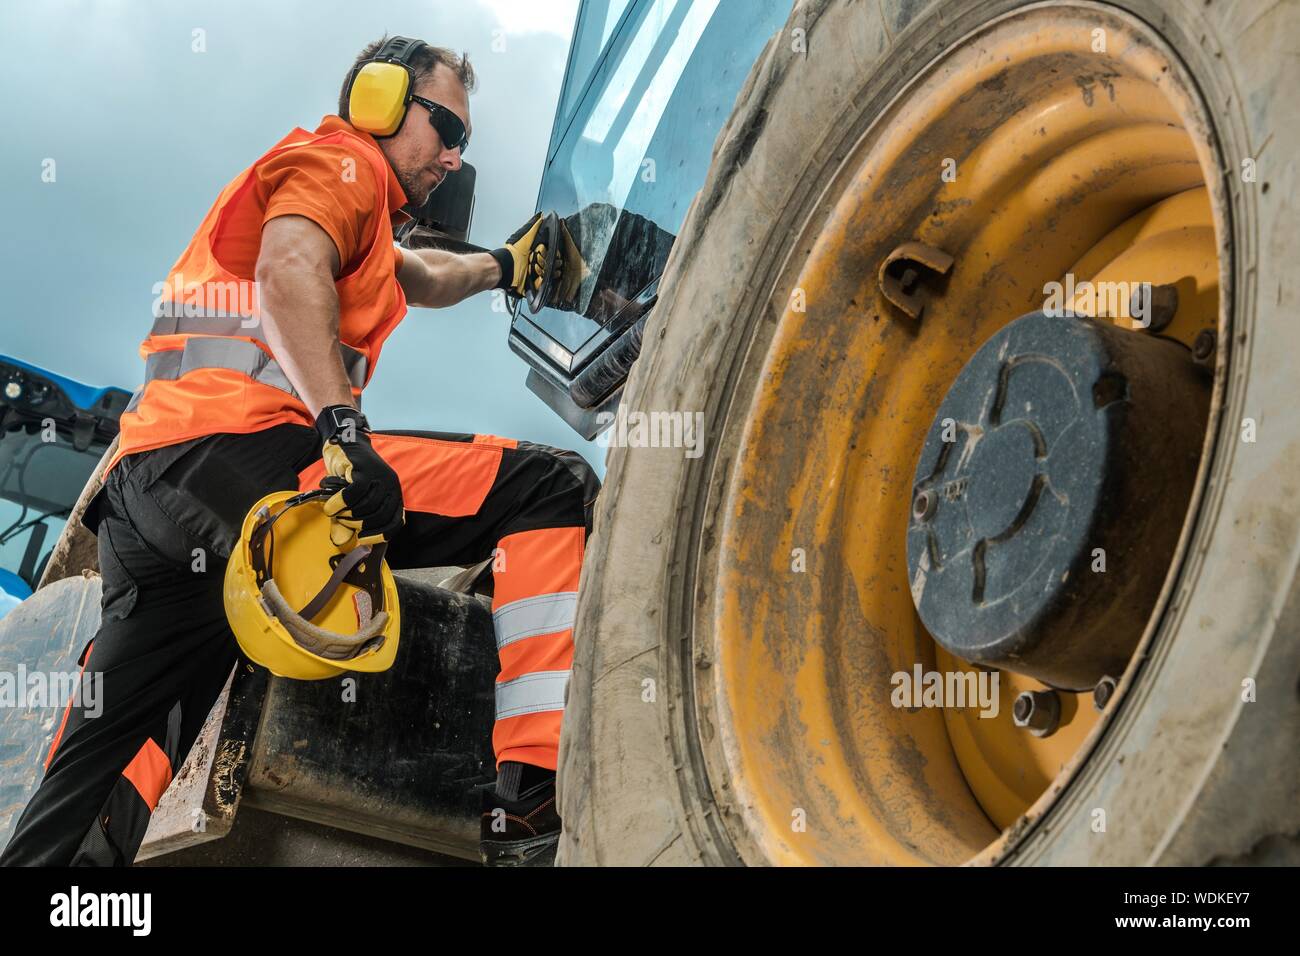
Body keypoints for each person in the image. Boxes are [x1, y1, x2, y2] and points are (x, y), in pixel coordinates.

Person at [0, 35, 597, 868]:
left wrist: (504, 265)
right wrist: (344, 430)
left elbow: (421, 277)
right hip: (245, 461)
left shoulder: (356, 213)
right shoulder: (340, 162)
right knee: (546, 485)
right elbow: (288, 269)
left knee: (124, 738)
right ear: (381, 102)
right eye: (445, 128)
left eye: (465, 142)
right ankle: (528, 805)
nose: (456, 157)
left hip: (154, 495)